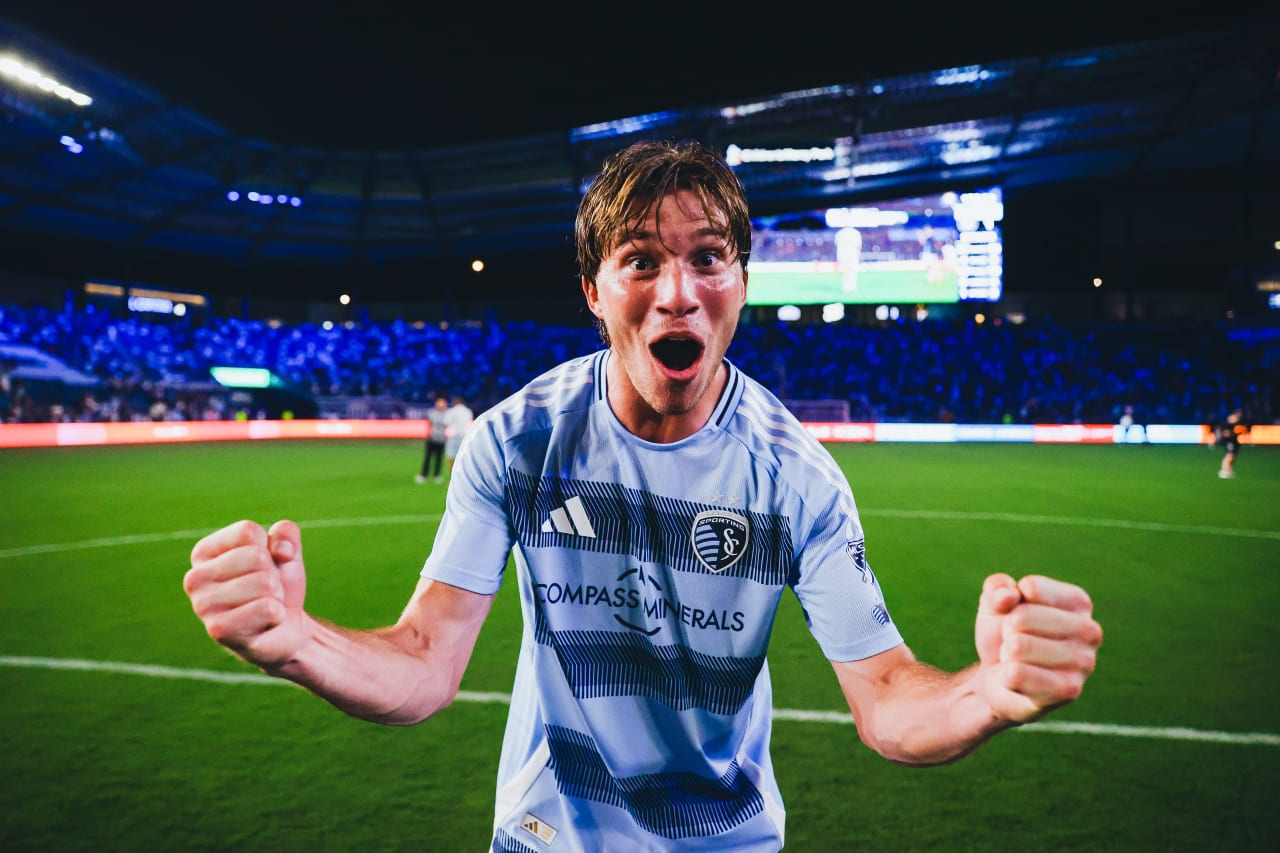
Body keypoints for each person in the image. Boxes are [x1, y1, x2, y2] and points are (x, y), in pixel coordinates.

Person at [183, 139, 1102, 852]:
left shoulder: (797, 478)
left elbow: (889, 696)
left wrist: (989, 691)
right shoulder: (518, 441)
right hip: (546, 838)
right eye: (641, 261)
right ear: (594, 290)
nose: (679, 294)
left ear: (742, 283)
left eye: (709, 258)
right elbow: (424, 662)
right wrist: (296, 640)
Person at [416, 396, 448, 484]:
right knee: (428, 458)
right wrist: (428, 434)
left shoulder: (447, 414)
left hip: (441, 439)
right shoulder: (432, 413)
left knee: (439, 458)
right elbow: (429, 424)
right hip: (432, 438)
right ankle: (424, 475)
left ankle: (436, 475)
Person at [441, 394, 473, 477]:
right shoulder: (468, 411)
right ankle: (462, 476)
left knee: (451, 457)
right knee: (463, 458)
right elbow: (470, 424)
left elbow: (445, 422)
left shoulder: (451, 411)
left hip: (453, 436)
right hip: (464, 437)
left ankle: (453, 476)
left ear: (454, 403)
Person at [1212, 409, 1247, 478]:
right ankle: (1224, 471)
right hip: (1229, 441)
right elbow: (1226, 432)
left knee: (1232, 456)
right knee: (1229, 455)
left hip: (1234, 441)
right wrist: (1232, 433)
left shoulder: (1238, 421)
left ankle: (1229, 470)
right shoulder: (1232, 419)